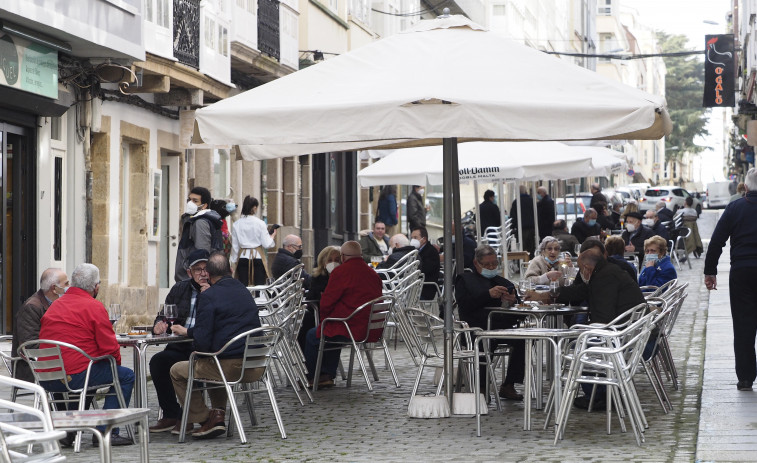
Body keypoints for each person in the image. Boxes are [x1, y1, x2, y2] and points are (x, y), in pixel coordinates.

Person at [38, 264, 135, 446]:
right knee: (125, 376)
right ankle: (106, 431)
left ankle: (71, 430)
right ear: (96, 287)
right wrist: (115, 367)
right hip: (74, 376)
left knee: (89, 373)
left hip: (45, 376)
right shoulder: (94, 306)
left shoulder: (54, 305)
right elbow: (110, 348)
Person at [170, 252, 262, 439]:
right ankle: (217, 413)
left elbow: (202, 344)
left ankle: (207, 418)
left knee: (178, 370)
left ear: (209, 275)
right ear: (230, 270)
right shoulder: (243, 290)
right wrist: (191, 333)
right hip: (256, 365)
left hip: (230, 368)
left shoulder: (209, 296)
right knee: (213, 360)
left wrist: (192, 334)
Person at [705, 167, 757, 391]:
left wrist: (710, 272)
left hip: (742, 271)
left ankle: (745, 377)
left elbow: (716, 241)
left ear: (745, 187)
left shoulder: (734, 208)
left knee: (743, 324)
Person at [303, 241, 383, 388]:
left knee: (314, 334)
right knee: (330, 329)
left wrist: (325, 320)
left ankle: (316, 376)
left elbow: (327, 303)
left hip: (351, 327)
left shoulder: (341, 272)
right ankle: (328, 374)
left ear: (343, 257)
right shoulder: (372, 273)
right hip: (371, 327)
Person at [148, 249, 210, 434]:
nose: (203, 273)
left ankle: (191, 416)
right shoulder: (179, 288)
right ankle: (171, 414)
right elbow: (164, 315)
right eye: (197, 269)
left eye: (206, 268)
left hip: (202, 347)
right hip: (179, 344)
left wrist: (208, 296)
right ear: (189, 272)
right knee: (158, 362)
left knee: (190, 366)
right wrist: (159, 324)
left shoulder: (215, 290)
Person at [454, 245, 525, 400]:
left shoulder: (502, 281)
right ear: (476, 263)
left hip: (501, 327)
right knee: (485, 341)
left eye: (494, 264)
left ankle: (509, 384)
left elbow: (520, 307)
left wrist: (513, 301)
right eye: (487, 265)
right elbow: (465, 305)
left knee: (523, 340)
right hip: (475, 328)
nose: (491, 267)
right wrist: (488, 295)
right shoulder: (465, 280)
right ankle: (481, 387)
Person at [11, 268, 68, 383]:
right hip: (33, 368)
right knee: (84, 374)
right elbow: (29, 346)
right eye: (66, 284)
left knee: (85, 370)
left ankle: (76, 400)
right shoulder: (32, 307)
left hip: (54, 362)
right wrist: (63, 350)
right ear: (54, 289)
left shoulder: (58, 304)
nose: (69, 287)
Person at [175, 187, 224, 282]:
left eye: (195, 201)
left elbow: (202, 254)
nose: (190, 203)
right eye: (189, 200)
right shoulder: (204, 219)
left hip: (194, 277)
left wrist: (194, 273)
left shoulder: (200, 222)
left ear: (204, 205)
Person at [301, 246, 342, 353]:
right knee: (304, 320)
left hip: (337, 317)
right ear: (323, 262)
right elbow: (311, 299)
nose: (333, 263)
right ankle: (305, 359)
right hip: (318, 313)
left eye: (337, 260)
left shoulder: (343, 277)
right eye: (329, 260)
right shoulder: (317, 278)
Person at [230, 195, 277, 286]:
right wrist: (272, 237)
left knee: (243, 287)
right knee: (259, 287)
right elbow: (266, 244)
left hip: (243, 257)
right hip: (257, 257)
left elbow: (235, 246)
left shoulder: (237, 224)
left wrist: (234, 261)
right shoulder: (260, 223)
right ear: (254, 208)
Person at [410, 226, 441, 301]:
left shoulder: (431, 252)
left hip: (424, 289)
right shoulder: (416, 251)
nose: (413, 240)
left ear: (423, 239)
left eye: (415, 237)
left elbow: (424, 269)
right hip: (415, 288)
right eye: (412, 237)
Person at [510, 185, 536, 257]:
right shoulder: (532, 200)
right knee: (531, 247)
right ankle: (531, 261)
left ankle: (523, 263)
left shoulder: (516, 202)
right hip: (532, 227)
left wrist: (512, 227)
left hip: (521, 229)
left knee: (522, 248)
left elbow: (513, 216)